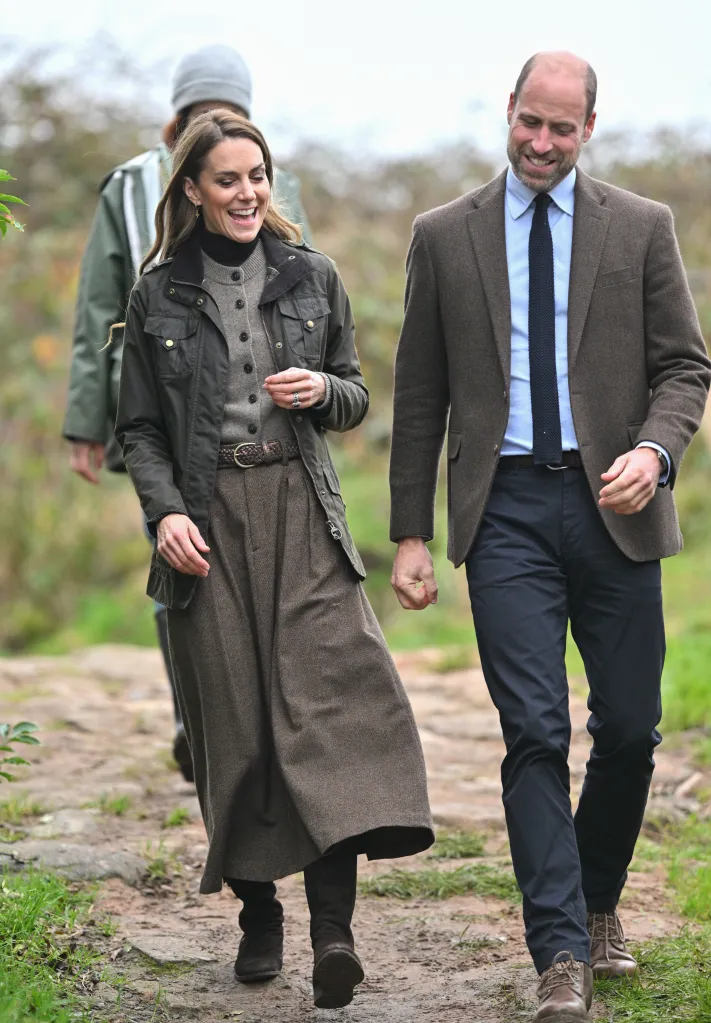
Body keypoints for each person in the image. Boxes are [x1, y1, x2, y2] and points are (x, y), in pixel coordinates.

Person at [389, 51, 711, 1023]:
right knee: (535, 731)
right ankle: (561, 950)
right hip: (506, 514)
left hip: (616, 510)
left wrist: (655, 453)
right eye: (529, 122)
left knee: (630, 731)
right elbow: (420, 398)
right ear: (510, 111)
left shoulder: (643, 229)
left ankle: (599, 897)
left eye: (560, 129)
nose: (540, 143)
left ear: (590, 130)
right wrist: (410, 533)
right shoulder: (445, 236)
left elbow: (686, 368)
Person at [114, 110, 434, 1009]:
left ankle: (334, 930)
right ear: (192, 191)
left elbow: (356, 393)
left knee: (330, 712)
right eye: (226, 179)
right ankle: (261, 912)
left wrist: (324, 390)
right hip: (207, 523)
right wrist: (166, 514)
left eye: (257, 174)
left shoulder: (312, 275)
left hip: (302, 508)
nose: (247, 191)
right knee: (237, 728)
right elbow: (136, 427)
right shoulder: (156, 295)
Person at [62, 44, 310, 782]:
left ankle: (267, 725)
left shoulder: (274, 181)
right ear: (177, 121)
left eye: (229, 112)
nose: (217, 124)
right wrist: (87, 419)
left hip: (251, 419)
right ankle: (193, 717)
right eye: (203, 111)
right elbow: (96, 303)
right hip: (156, 410)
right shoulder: (128, 187)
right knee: (182, 568)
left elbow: (301, 288)